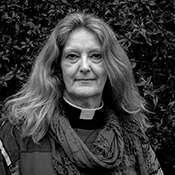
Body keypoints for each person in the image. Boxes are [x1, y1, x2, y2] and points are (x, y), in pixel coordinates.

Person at [0, 12, 164, 175]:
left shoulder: (132, 137)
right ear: (57, 66)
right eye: (72, 56)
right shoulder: (19, 133)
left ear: (110, 66)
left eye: (96, 56)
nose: (85, 67)